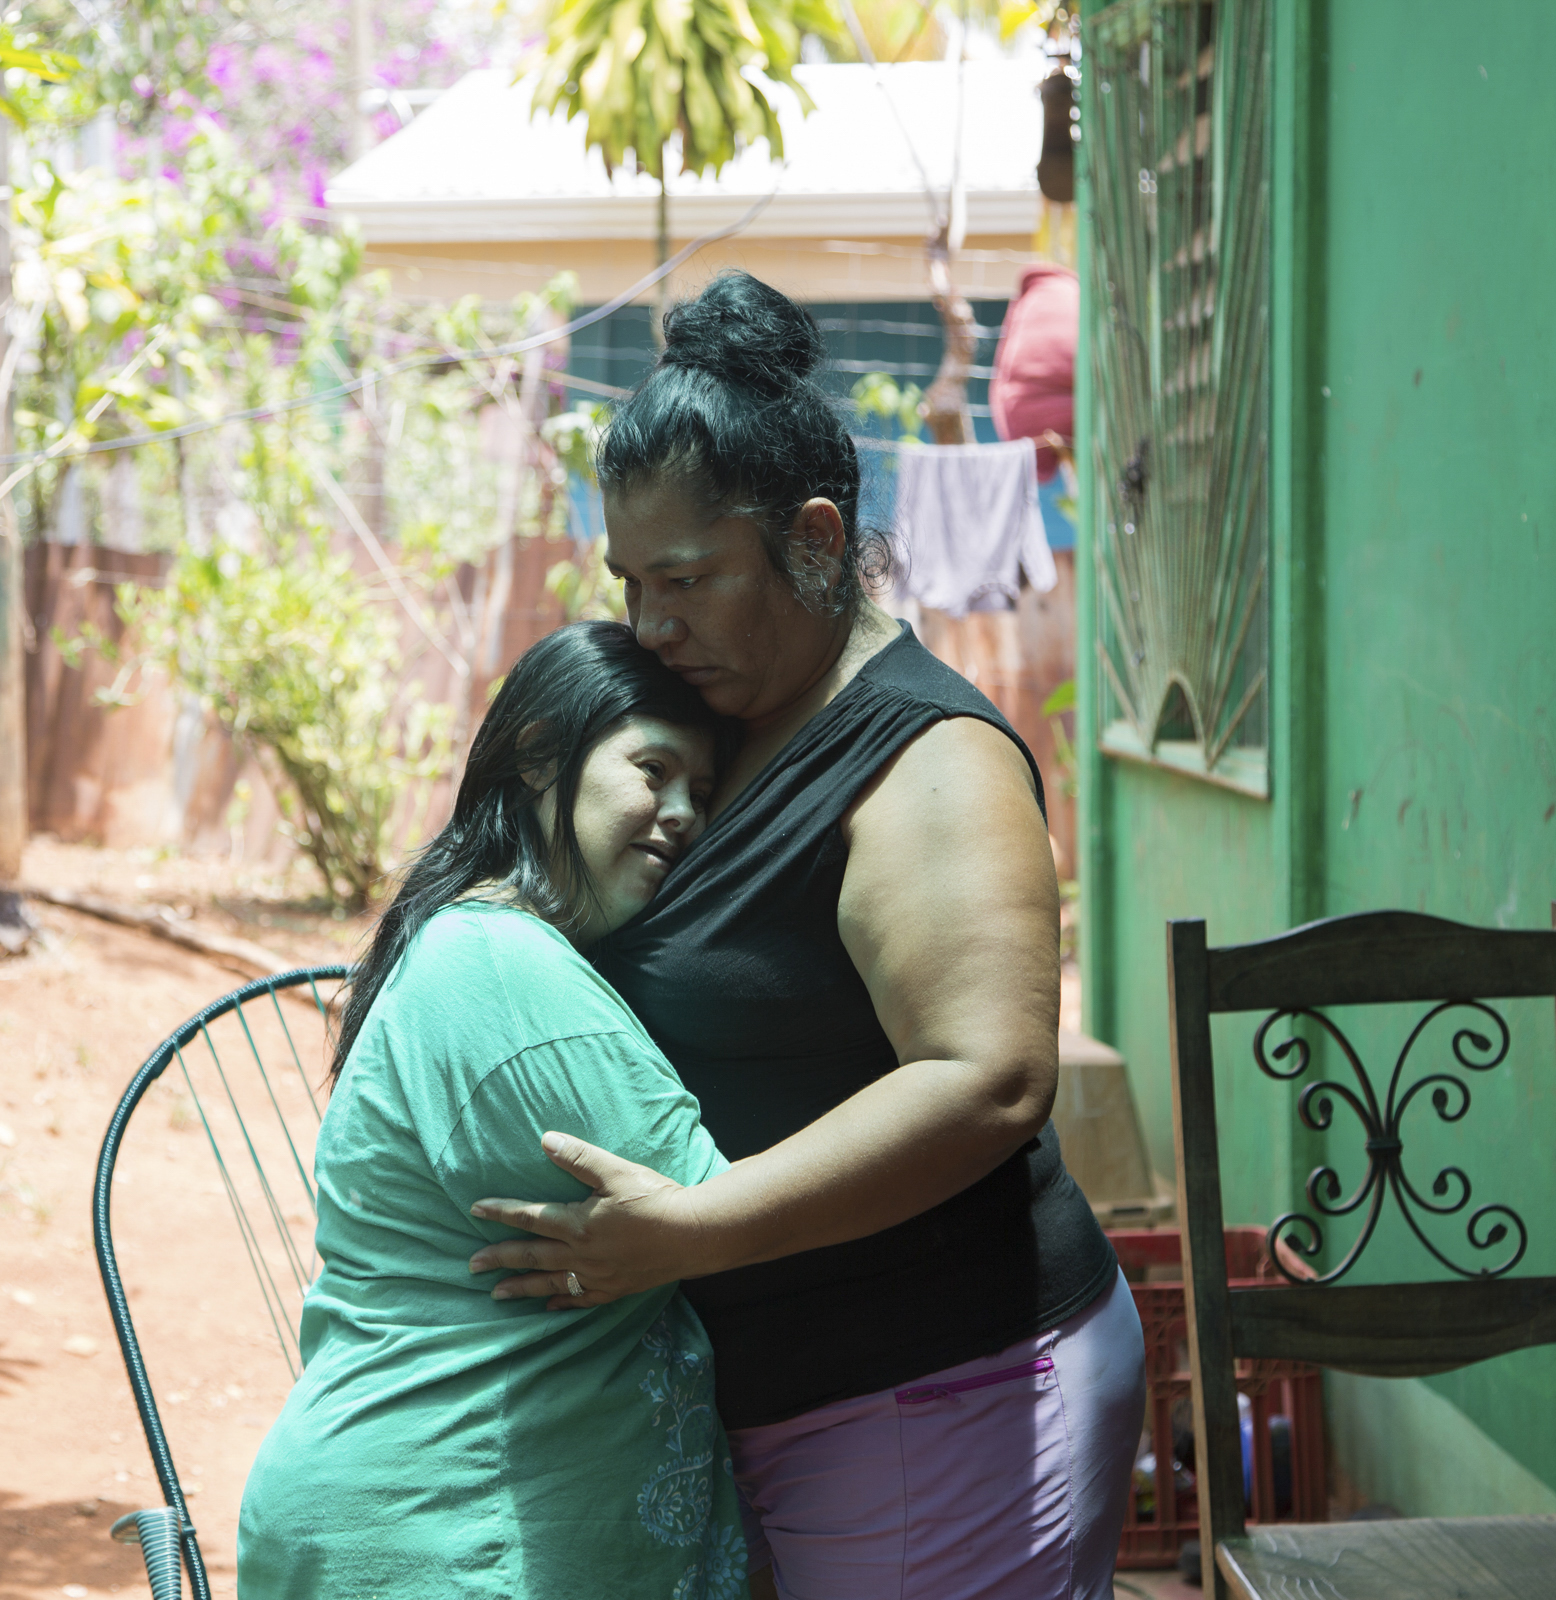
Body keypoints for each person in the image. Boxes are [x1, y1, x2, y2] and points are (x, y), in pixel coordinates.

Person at [466, 272, 1148, 1600]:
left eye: (689, 578)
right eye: (629, 581)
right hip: (797, 1404)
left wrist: (693, 1228)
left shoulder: (928, 762)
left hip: (941, 1390)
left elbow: (988, 1079)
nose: (651, 622)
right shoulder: (715, 722)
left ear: (819, 540)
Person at [236, 621, 751, 1600]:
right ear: (541, 754)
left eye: (705, 791)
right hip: (450, 1532)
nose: (685, 811)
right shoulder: (508, 971)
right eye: (654, 768)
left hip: (437, 1513)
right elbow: (726, 1212)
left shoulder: (473, 943)